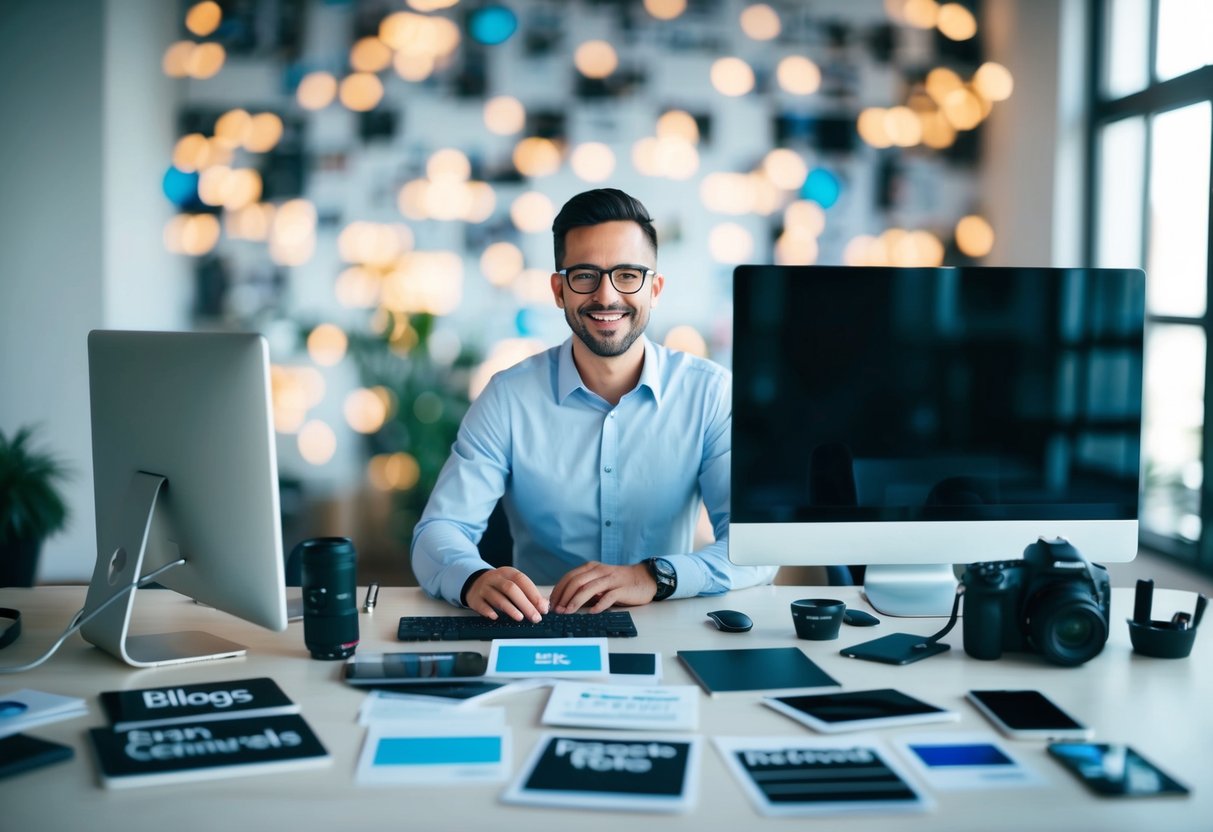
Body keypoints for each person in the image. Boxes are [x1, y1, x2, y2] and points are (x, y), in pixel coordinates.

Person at [411, 188, 777, 620]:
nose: (606, 296)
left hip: (667, 626)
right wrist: (471, 578)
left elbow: (757, 548)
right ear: (558, 290)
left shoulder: (711, 393)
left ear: (654, 288)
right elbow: (439, 531)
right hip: (540, 626)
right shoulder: (507, 397)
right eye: (585, 275)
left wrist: (656, 576)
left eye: (627, 275)